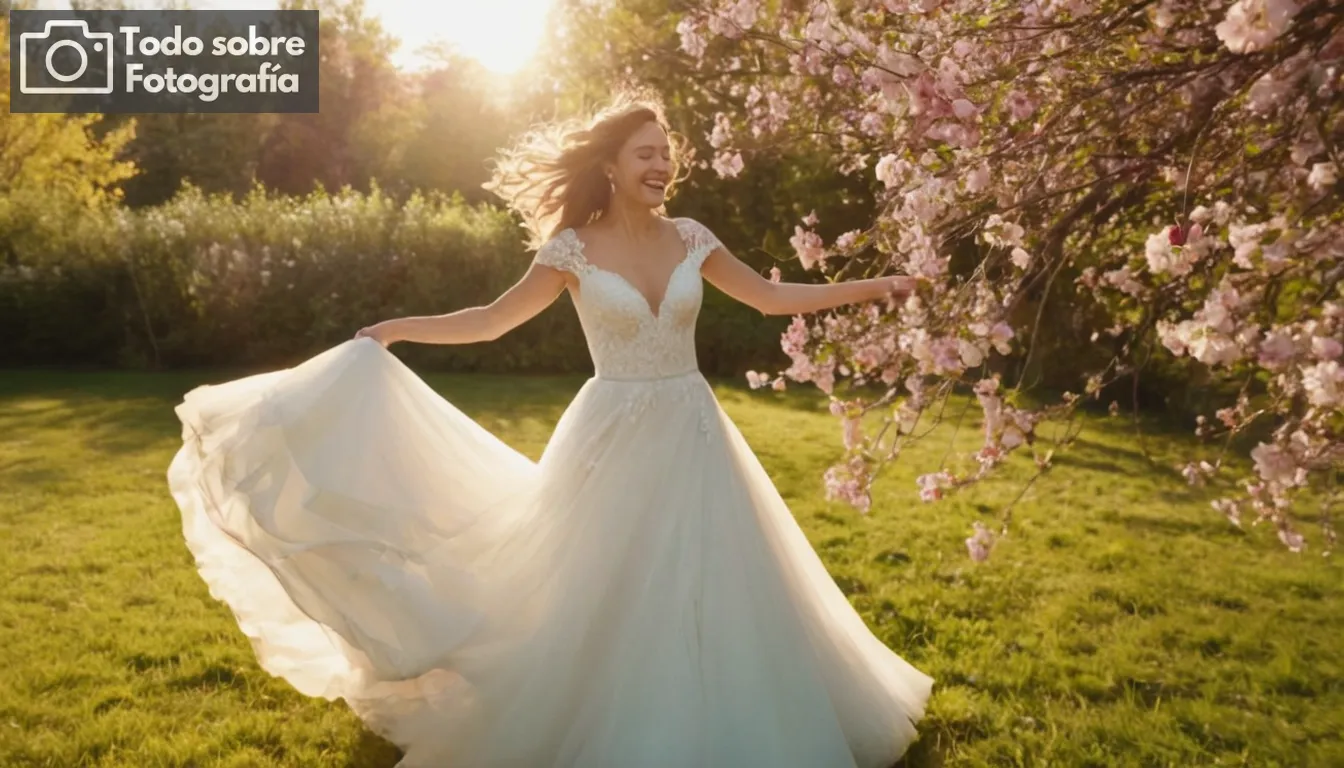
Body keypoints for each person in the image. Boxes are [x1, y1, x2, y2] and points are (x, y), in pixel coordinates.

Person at [167, 91, 934, 768]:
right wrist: (395, 329)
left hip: (692, 430)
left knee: (714, 579)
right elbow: (494, 319)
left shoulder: (692, 237)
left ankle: (716, 712)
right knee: (599, 585)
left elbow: (769, 297)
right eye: (645, 153)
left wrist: (876, 286)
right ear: (610, 164)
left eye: (667, 153)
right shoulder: (571, 249)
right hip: (609, 437)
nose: (661, 164)